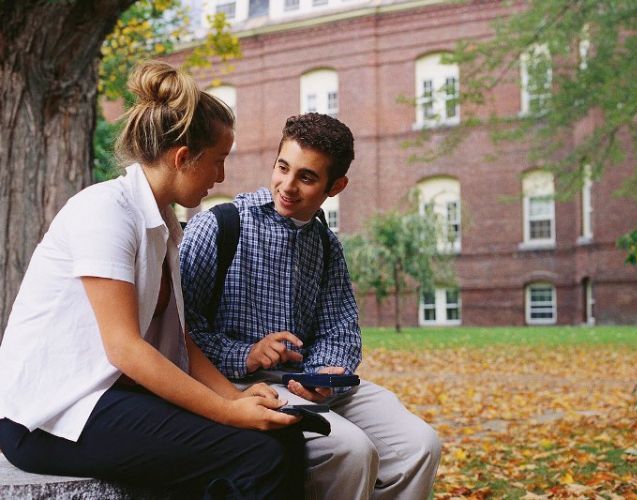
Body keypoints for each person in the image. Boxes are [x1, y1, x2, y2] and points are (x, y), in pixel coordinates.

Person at [0, 61, 305, 499]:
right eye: (218, 162)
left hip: (106, 399)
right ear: (182, 158)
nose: (221, 177)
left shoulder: (162, 225)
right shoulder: (104, 212)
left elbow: (181, 342)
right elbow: (125, 348)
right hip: (48, 416)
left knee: (283, 438)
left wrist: (235, 399)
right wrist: (224, 411)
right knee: (258, 455)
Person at [180, 112, 442, 499]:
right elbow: (176, 328)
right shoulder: (219, 226)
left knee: (420, 445)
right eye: (282, 167)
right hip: (239, 383)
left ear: (336, 186)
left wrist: (325, 374)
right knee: (351, 450)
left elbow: (340, 329)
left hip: (309, 383)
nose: (287, 186)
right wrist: (247, 353)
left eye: (306, 177)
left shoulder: (326, 244)